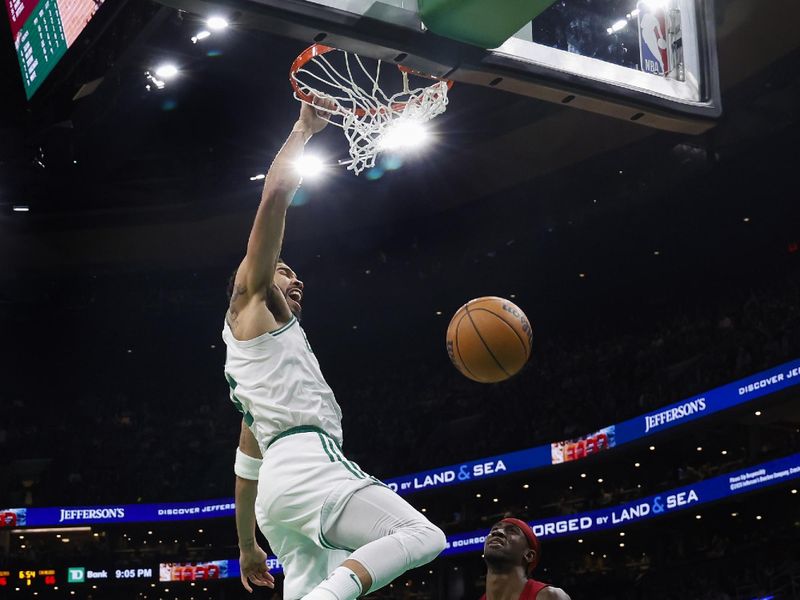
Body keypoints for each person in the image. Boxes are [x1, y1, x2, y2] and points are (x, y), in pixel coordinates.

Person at [222, 96, 446, 600]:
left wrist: (246, 548)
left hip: (276, 495)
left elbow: (245, 471)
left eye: (297, 275)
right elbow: (275, 196)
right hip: (307, 465)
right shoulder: (250, 300)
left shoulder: (258, 379)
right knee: (421, 536)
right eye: (284, 270)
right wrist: (302, 131)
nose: (295, 278)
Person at [481, 518, 570, 600]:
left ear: (529, 555)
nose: (497, 532)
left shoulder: (549, 596)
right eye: (494, 529)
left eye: (512, 531)